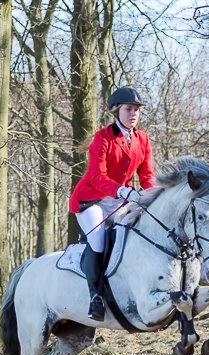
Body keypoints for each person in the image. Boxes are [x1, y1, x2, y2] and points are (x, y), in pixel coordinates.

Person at [68, 86, 155, 320]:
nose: (134, 113)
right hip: (91, 200)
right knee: (98, 239)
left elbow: (146, 175)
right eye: (129, 109)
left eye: (137, 109)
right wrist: (123, 190)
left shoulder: (143, 139)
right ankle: (95, 296)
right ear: (117, 111)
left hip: (120, 200)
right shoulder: (103, 138)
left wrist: (153, 197)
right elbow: (97, 176)